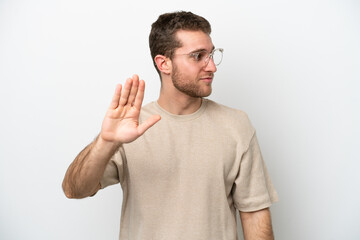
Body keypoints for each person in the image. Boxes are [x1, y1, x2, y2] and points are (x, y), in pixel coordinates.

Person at [62, 11, 278, 240]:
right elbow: (74, 189)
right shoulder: (130, 128)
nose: (212, 66)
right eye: (198, 56)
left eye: (212, 54)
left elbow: (255, 215)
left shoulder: (236, 125)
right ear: (164, 63)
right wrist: (107, 142)